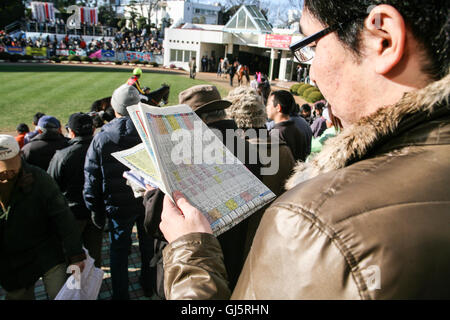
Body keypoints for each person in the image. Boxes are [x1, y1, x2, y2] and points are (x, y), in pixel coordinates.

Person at [158, 0, 450, 299]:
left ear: (383, 38)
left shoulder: (309, 221)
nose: (311, 75)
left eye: (312, 47)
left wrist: (191, 252)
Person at [84, 84, 155, 300]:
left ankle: (121, 295)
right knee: (147, 249)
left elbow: (91, 177)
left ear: (114, 108)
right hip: (145, 202)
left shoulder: (101, 137)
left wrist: (94, 209)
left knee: (119, 253)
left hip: (117, 206)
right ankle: (149, 285)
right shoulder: (149, 130)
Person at [0, 135, 85, 300]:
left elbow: (63, 217)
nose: (7, 173)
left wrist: (76, 256)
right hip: (11, 261)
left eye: (12, 166)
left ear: (19, 157)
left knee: (61, 295)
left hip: (46, 252)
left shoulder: (39, 179)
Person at [47, 113, 103, 268]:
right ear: (92, 130)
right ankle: (92, 288)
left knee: (72, 258)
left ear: (71, 131)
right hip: (96, 211)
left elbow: (51, 185)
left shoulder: (62, 155)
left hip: (72, 215)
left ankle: (76, 289)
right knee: (94, 255)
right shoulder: (102, 149)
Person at [266, 90, 308, 162]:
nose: (266, 107)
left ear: (278, 107)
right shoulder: (297, 129)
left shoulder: (276, 133)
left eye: (269, 104)